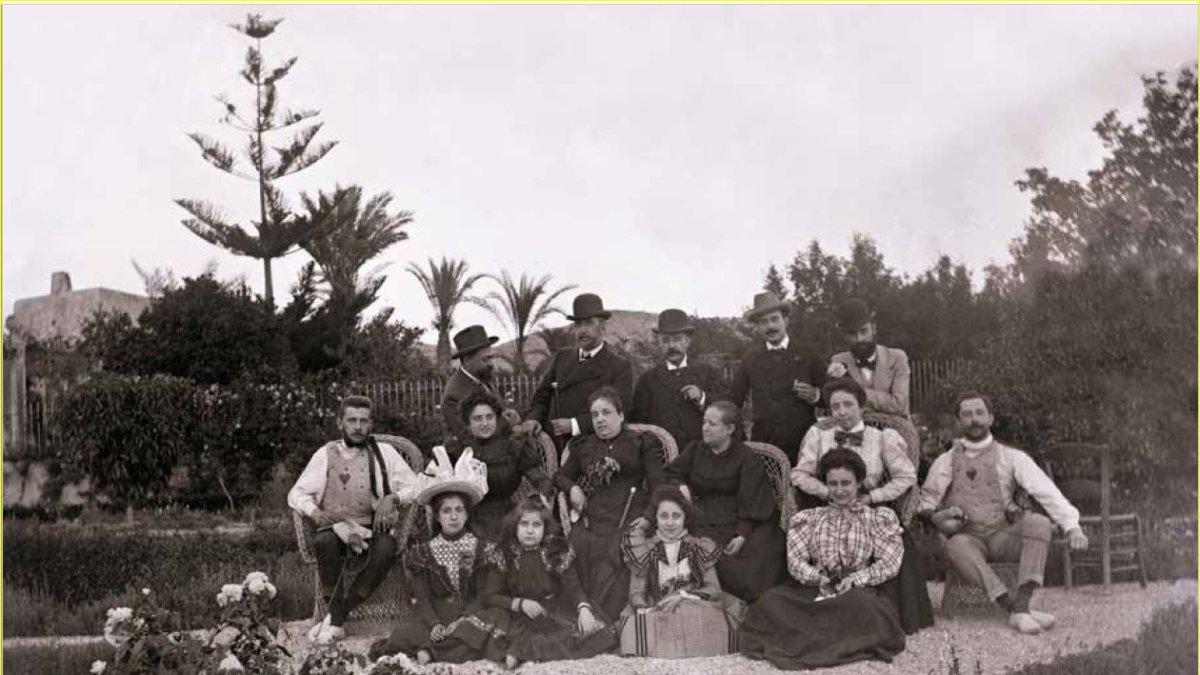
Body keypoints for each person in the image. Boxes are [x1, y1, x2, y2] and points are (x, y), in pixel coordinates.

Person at [919, 392, 1089, 634]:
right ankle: (1014, 609)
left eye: (980, 413)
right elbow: (926, 501)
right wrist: (938, 517)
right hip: (968, 539)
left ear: (991, 418)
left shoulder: (1011, 457)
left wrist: (1072, 526)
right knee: (955, 546)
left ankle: (1021, 606)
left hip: (1003, 534)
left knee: (1039, 523)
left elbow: (1045, 491)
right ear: (959, 421)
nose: (974, 419)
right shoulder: (945, 461)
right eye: (966, 414)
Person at [741, 449, 907, 669]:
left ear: (858, 483)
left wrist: (857, 579)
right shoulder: (808, 519)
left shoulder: (878, 518)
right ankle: (831, 637)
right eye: (833, 483)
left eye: (846, 483)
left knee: (865, 608)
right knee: (769, 603)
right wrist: (817, 577)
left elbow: (890, 562)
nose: (839, 490)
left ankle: (816, 637)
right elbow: (796, 561)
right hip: (816, 588)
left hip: (855, 592)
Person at [791, 377, 933, 634]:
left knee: (896, 552)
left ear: (861, 406)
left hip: (867, 508)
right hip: (827, 506)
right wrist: (828, 492)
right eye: (835, 407)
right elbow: (799, 475)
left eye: (848, 405)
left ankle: (878, 615)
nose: (842, 412)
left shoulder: (881, 438)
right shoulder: (819, 435)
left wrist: (873, 497)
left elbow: (907, 476)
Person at [287, 395, 421, 645]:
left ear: (371, 423)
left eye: (363, 421)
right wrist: (315, 513)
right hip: (334, 525)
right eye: (352, 421)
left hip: (372, 525)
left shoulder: (385, 453)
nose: (358, 427)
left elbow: (418, 486)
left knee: (387, 548)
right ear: (340, 423)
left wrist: (393, 497)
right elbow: (296, 493)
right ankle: (335, 614)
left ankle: (337, 617)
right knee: (324, 542)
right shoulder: (325, 454)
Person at [369, 448, 509, 664]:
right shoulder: (423, 553)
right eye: (446, 511)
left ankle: (433, 651)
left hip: (470, 615)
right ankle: (446, 645)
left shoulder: (482, 549)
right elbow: (423, 598)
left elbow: (483, 595)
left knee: (498, 619)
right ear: (437, 516)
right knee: (404, 633)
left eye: (458, 510)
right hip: (436, 616)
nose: (453, 516)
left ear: (466, 514)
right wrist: (434, 624)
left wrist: (463, 620)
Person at [553, 386, 665, 620]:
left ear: (621, 415)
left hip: (632, 516)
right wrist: (573, 488)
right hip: (595, 518)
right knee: (577, 543)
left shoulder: (641, 442)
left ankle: (616, 617)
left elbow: (659, 486)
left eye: (606, 412)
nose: (600, 419)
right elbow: (560, 475)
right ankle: (585, 610)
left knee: (622, 547)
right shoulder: (584, 446)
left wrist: (648, 518)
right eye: (595, 415)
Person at [662, 400, 786, 602]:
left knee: (751, 565)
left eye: (712, 424)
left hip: (740, 520)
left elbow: (754, 501)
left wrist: (741, 535)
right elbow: (672, 473)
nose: (705, 428)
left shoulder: (746, 458)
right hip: (702, 519)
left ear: (729, 429)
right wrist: (681, 486)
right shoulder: (695, 450)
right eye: (704, 422)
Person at [486, 497, 618, 668]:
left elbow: (572, 586)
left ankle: (527, 651)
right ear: (515, 526)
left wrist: (584, 608)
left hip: (550, 610)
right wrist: (519, 603)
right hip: (517, 612)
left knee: (597, 632)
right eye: (524, 524)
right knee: (495, 630)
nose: (530, 531)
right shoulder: (504, 554)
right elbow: (490, 596)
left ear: (545, 527)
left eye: (536, 525)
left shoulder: (554, 551)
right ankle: (521, 649)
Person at [618, 485, 745, 658]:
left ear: (685, 518)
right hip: (658, 606)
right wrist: (644, 609)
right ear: (655, 518)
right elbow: (636, 592)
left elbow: (714, 589)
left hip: (692, 604)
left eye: (676, 516)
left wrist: (683, 596)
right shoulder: (645, 549)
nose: (670, 523)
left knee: (701, 617)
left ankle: (680, 644)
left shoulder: (699, 547)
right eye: (664, 516)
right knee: (634, 628)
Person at [528, 293, 634, 450]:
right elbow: (541, 397)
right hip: (555, 445)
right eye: (578, 325)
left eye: (589, 323)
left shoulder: (619, 366)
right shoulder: (561, 358)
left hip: (596, 447)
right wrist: (534, 418)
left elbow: (620, 411)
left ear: (603, 328)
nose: (582, 330)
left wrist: (574, 424)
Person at [731, 291, 827, 464]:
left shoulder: (807, 353)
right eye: (763, 322)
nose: (770, 326)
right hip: (765, 446)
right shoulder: (750, 359)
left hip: (805, 443)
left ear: (786, 321)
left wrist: (816, 395)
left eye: (774, 319)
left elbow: (832, 395)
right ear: (758, 328)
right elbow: (733, 401)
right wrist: (741, 437)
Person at [457, 390, 554, 541]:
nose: (484, 423)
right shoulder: (458, 449)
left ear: (497, 419)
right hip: (466, 518)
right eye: (477, 419)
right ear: (468, 423)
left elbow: (542, 480)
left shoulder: (513, 447)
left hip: (505, 516)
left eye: (489, 417)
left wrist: (538, 501)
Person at [630, 308, 727, 447]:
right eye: (665, 340)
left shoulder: (708, 373)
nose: (672, 346)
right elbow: (639, 425)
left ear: (687, 341)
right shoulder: (647, 381)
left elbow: (727, 408)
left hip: (705, 455)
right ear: (659, 343)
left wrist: (702, 397)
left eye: (677, 339)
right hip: (664, 458)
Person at [439, 325, 528, 448]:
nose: (491, 364)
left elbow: (498, 411)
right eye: (486, 359)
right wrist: (507, 423)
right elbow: (469, 436)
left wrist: (508, 413)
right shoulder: (454, 395)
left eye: (491, 358)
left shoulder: (482, 378)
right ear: (467, 360)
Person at [827, 298, 912, 418]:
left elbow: (899, 405)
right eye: (852, 334)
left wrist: (856, 392)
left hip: (898, 430)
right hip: (855, 431)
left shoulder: (897, 358)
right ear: (845, 336)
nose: (859, 339)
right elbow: (840, 408)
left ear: (874, 328)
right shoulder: (838, 362)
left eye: (864, 331)